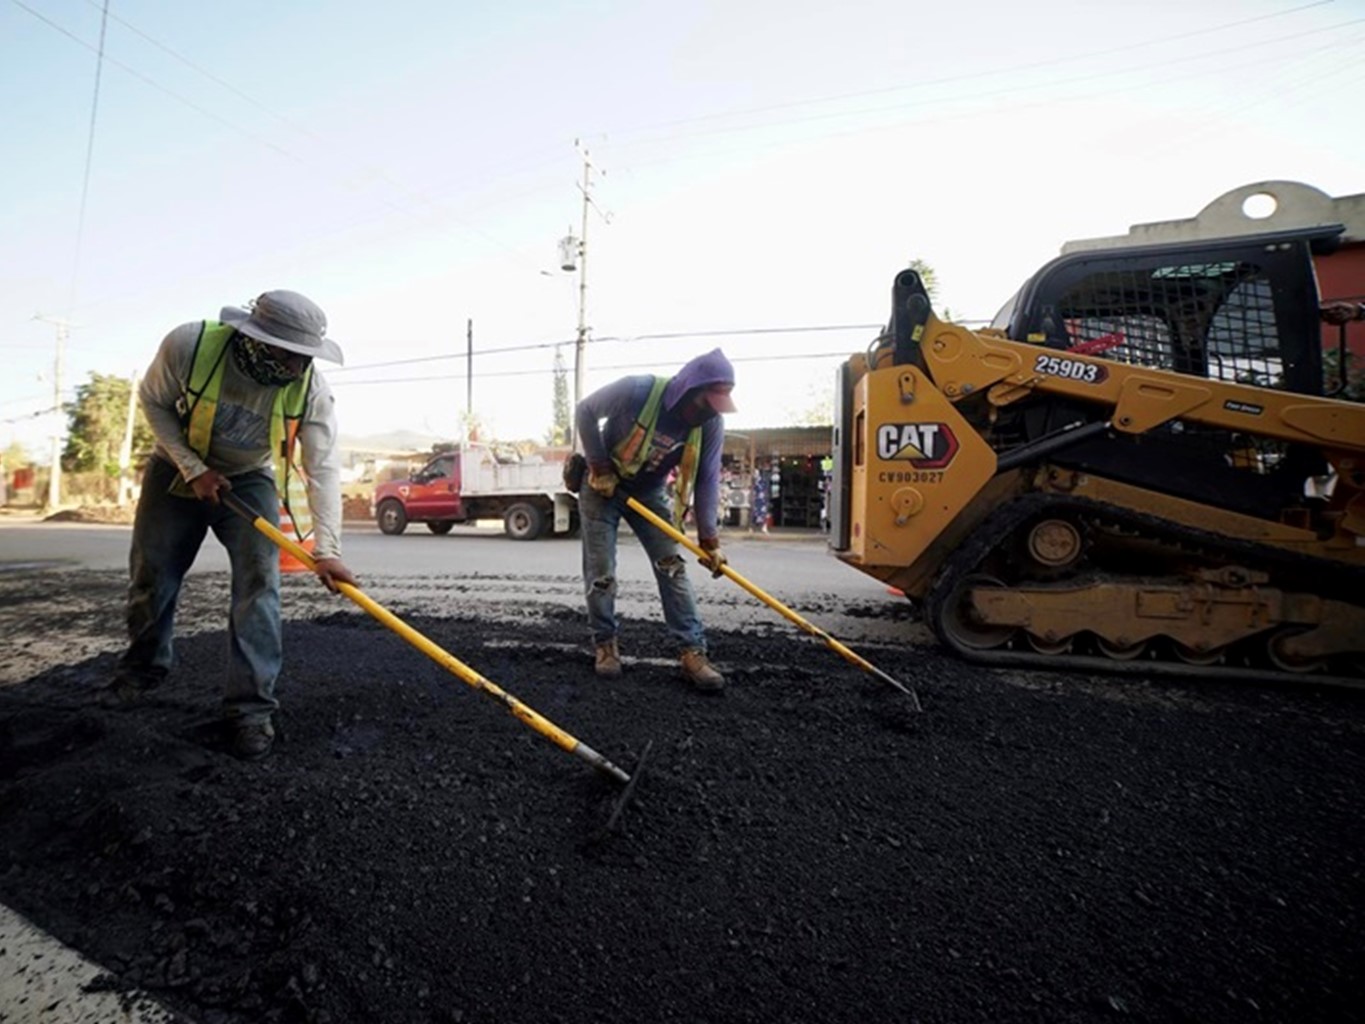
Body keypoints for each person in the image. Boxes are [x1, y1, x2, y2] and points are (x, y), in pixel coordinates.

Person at [104, 290, 357, 760]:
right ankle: (141, 672)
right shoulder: (190, 345)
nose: (299, 367)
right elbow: (153, 400)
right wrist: (191, 467)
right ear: (256, 340)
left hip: (248, 478)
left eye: (306, 357)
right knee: (152, 575)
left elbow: (323, 469)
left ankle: (250, 709)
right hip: (174, 472)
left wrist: (329, 550)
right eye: (290, 355)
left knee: (260, 585)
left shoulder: (311, 389)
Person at [574, 348, 736, 692]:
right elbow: (585, 410)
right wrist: (600, 466)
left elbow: (707, 478)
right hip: (603, 487)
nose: (709, 413)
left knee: (673, 567)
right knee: (601, 570)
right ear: (689, 390)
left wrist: (710, 541)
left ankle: (693, 652)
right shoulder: (638, 390)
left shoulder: (711, 423)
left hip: (648, 492)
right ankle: (605, 644)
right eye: (706, 403)